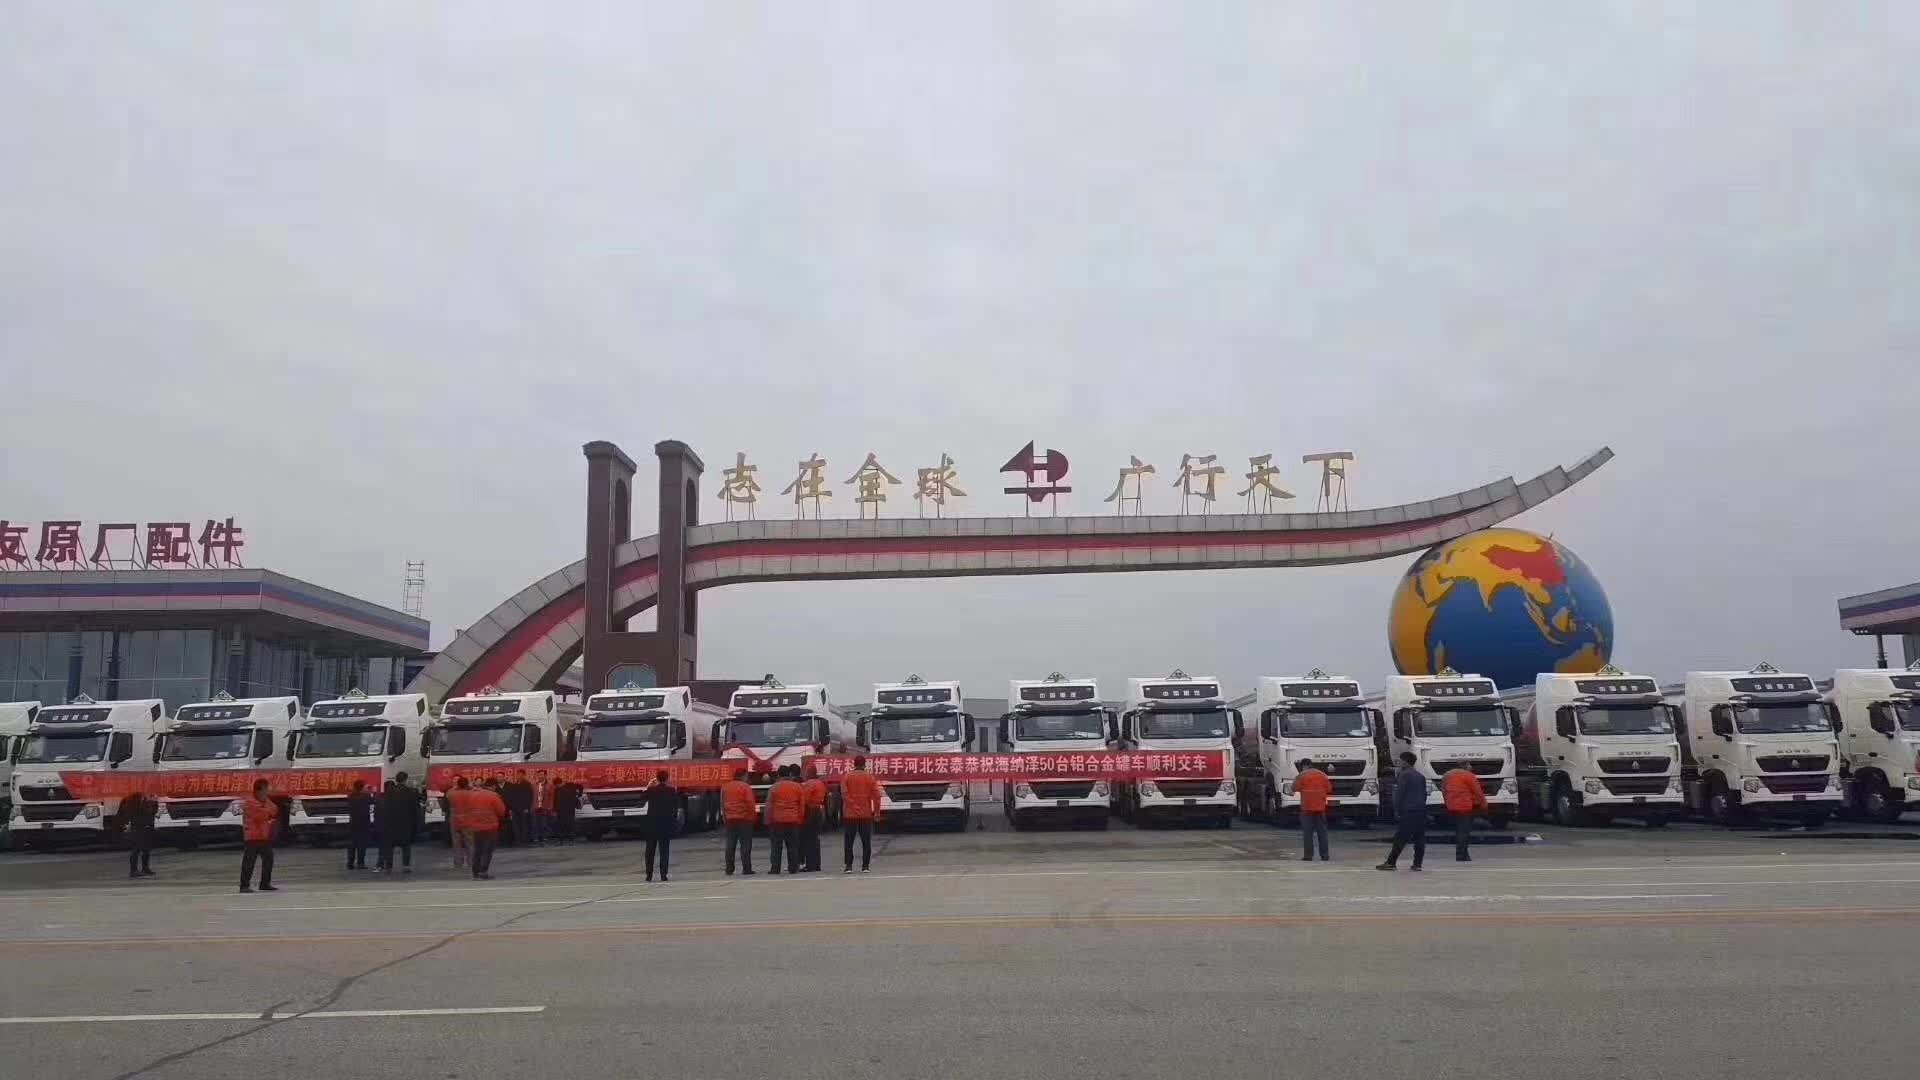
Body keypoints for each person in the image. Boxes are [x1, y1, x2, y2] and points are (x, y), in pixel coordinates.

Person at [1377, 753, 1430, 872]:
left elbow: (1400, 793)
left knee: (1400, 838)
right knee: (1419, 838)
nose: (1398, 762)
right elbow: (1424, 794)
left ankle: (1391, 862)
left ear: (1406, 762)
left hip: (1408, 810)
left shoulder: (1404, 775)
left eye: (1400, 760)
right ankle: (1417, 864)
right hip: (1420, 810)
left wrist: (1397, 809)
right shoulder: (1420, 776)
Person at [448, 777, 508, 880]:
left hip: (473, 825)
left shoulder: (468, 795)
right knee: (487, 850)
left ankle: (475, 872)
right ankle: (483, 871)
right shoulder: (493, 796)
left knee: (476, 849)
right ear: (493, 786)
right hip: (490, 826)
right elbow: (501, 811)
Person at [840, 756, 882, 874]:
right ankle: (865, 866)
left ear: (854, 764)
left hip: (850, 814)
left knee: (849, 841)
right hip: (865, 814)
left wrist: (853, 806)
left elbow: (844, 794)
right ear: (864, 764)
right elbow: (877, 796)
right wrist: (877, 813)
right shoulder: (870, 777)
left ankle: (849, 866)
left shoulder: (847, 777)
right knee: (866, 841)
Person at [239, 779, 281, 892]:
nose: (268, 791)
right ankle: (244, 886)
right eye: (266, 788)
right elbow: (261, 815)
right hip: (252, 836)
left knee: (268, 859)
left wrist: (266, 809)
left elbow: (275, 809)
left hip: (264, 835)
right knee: (249, 862)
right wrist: (266, 810)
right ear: (260, 790)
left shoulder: (265, 800)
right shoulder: (249, 802)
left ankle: (265, 883)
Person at [1442, 765, 1488, 863]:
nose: (1471, 768)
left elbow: (1444, 791)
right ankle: (1461, 854)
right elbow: (1478, 792)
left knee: (1459, 830)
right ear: (1466, 767)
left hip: (1452, 806)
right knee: (1464, 831)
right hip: (1465, 806)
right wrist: (1484, 805)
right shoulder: (1469, 775)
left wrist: (1447, 803)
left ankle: (1464, 854)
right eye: (1470, 766)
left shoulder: (1447, 775)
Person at [765, 765, 806, 875]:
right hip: (793, 820)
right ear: (790, 774)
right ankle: (793, 867)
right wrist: (800, 818)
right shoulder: (797, 787)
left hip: (777, 821)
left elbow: (769, 806)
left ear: (778, 775)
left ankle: (775, 868)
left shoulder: (774, 787)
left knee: (776, 846)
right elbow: (801, 805)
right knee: (793, 846)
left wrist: (768, 819)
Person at [377, 772, 420, 873]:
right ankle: (406, 866)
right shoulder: (411, 792)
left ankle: (389, 866)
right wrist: (415, 823)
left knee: (390, 846)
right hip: (405, 823)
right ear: (405, 780)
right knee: (406, 845)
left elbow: (385, 808)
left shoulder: (389, 792)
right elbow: (414, 809)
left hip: (390, 823)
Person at [642, 769, 678, 882]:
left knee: (649, 851)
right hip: (665, 824)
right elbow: (675, 804)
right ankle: (663, 875)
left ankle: (649, 875)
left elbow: (642, 797)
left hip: (652, 824)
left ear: (657, 779)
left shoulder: (651, 790)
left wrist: (649, 785)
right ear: (667, 778)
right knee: (664, 851)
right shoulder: (671, 790)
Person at [1294, 759, 1334, 862]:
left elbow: (1295, 788)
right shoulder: (1322, 775)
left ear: (1303, 766)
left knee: (1308, 834)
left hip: (1307, 809)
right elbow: (1329, 789)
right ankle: (1325, 855)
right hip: (1320, 808)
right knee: (1322, 833)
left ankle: (1308, 856)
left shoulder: (1301, 775)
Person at [720, 768, 757, 876]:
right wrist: (753, 817)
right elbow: (750, 804)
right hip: (744, 819)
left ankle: (729, 868)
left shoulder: (725, 787)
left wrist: (725, 817)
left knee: (730, 844)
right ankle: (746, 868)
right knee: (745, 845)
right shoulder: (745, 787)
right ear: (743, 776)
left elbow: (722, 803)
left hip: (730, 819)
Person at [800, 765, 828, 873]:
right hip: (819, 811)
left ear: (809, 773)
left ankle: (810, 865)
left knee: (808, 839)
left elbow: (805, 799)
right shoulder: (820, 783)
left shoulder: (809, 784)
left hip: (810, 811)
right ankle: (817, 864)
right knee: (815, 838)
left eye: (806, 772)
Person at [124, 789, 157, 879]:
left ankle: (144, 868)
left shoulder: (143, 803)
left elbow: (153, 812)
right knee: (137, 849)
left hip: (145, 828)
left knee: (146, 849)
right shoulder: (135, 804)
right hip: (139, 829)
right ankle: (134, 870)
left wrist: (153, 802)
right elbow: (147, 812)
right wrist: (152, 802)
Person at [345, 780, 374, 870]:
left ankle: (350, 863)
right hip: (363, 823)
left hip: (353, 822)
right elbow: (373, 801)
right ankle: (360, 863)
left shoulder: (350, 796)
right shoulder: (366, 796)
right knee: (362, 844)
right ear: (362, 787)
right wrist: (369, 791)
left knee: (352, 844)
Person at [504, 771, 534, 845]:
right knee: (516, 825)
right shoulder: (514, 785)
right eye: (518, 775)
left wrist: (527, 807)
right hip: (514, 809)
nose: (519, 776)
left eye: (521, 775)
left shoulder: (527, 785)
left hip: (524, 808)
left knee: (524, 825)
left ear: (524, 776)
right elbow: (511, 797)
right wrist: (511, 808)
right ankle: (518, 839)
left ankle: (524, 840)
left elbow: (529, 797)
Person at [553, 777, 580, 842]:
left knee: (568, 825)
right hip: (564, 810)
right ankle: (564, 840)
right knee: (563, 825)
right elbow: (555, 800)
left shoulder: (570, 786)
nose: (557, 786)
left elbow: (579, 790)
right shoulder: (557, 789)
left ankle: (569, 839)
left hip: (568, 810)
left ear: (559, 783)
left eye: (557, 785)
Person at [533, 771, 554, 845]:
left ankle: (544, 837)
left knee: (544, 823)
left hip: (545, 807)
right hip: (536, 806)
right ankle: (536, 837)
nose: (540, 776)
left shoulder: (550, 785)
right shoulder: (534, 785)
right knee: (535, 823)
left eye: (541, 775)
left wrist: (550, 807)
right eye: (539, 775)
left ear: (545, 776)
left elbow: (552, 797)